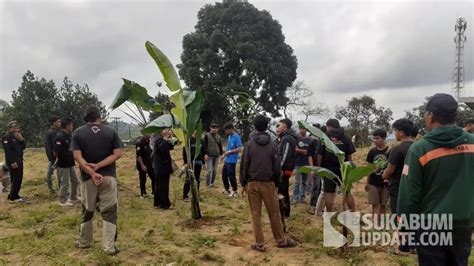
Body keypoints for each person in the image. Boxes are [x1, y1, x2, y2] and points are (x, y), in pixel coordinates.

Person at [398, 94, 474, 265]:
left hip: (431, 227)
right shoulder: (472, 144)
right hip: (463, 225)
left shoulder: (420, 149)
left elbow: (409, 195)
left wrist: (404, 227)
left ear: (430, 116)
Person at [240, 115, 297, 252]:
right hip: (269, 183)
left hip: (252, 183)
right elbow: (277, 166)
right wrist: (277, 183)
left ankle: (259, 243)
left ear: (254, 127)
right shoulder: (273, 144)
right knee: (274, 213)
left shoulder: (249, 144)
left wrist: (243, 183)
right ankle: (281, 240)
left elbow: (244, 165)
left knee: (255, 214)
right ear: (267, 127)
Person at [73, 106, 123, 255]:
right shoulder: (111, 131)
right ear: (99, 117)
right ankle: (109, 247)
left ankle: (84, 242)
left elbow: (77, 157)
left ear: (86, 118)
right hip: (108, 177)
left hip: (88, 178)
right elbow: (119, 153)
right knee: (109, 211)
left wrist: (91, 171)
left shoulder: (78, 133)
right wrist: (100, 166)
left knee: (88, 210)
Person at [382, 118, 414, 255]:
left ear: (401, 132)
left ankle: (403, 247)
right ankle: (413, 246)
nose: (394, 134)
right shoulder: (419, 147)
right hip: (415, 187)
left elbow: (389, 171)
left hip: (398, 187)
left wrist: (383, 176)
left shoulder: (397, 149)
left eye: (395, 131)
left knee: (399, 216)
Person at [317, 119, 356, 212]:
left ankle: (329, 214)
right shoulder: (345, 138)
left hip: (328, 168)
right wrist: (350, 169)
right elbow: (350, 156)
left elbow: (319, 154)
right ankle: (353, 212)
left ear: (329, 126)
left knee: (329, 192)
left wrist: (318, 168)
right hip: (343, 169)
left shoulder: (324, 138)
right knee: (347, 192)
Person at [365, 129, 390, 224]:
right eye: (373, 138)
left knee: (383, 204)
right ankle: (375, 223)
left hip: (385, 182)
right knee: (375, 204)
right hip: (373, 182)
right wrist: (367, 182)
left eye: (377, 138)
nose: (375, 140)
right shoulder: (372, 152)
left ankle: (382, 223)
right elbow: (368, 168)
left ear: (383, 138)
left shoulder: (390, 151)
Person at [275, 118, 298, 218]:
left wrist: (279, 168)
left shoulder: (287, 138)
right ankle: (284, 213)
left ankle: (285, 213)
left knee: (282, 190)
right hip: (284, 168)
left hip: (285, 169)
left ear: (285, 126)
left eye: (278, 125)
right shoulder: (283, 137)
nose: (277, 127)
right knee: (282, 190)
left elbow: (285, 155)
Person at [54, 118, 79, 207]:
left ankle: (73, 197)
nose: (72, 127)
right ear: (67, 126)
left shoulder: (69, 135)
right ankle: (62, 200)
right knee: (65, 183)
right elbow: (56, 152)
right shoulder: (60, 136)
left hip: (70, 163)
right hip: (63, 164)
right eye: (71, 125)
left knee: (75, 181)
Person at [3, 121, 26, 203]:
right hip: (13, 162)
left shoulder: (16, 136)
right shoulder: (7, 137)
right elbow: (8, 151)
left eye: (17, 127)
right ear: (10, 128)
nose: (16, 129)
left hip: (19, 160)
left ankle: (14, 195)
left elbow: (23, 147)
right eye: (14, 127)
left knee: (18, 179)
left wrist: (21, 139)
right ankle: (12, 198)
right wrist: (12, 162)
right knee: (16, 179)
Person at [153, 128, 175, 209]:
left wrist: (170, 138)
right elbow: (162, 148)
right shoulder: (158, 139)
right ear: (162, 131)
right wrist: (165, 138)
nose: (168, 131)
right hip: (161, 167)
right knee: (163, 186)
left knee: (160, 186)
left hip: (164, 166)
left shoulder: (163, 139)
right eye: (167, 130)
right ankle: (164, 204)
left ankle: (157, 203)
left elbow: (170, 147)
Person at [220, 123, 242, 197]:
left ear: (231, 129)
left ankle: (235, 190)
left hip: (232, 161)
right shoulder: (229, 137)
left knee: (231, 175)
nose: (225, 132)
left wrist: (230, 152)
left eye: (226, 130)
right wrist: (223, 155)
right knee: (223, 175)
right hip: (227, 160)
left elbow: (239, 149)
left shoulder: (237, 137)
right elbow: (228, 148)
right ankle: (227, 189)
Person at [292, 125, 313, 204]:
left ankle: (302, 197)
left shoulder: (310, 140)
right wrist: (305, 151)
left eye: (303, 128)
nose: (302, 130)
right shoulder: (296, 139)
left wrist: (301, 151)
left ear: (306, 129)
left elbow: (310, 152)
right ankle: (295, 197)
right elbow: (296, 149)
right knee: (297, 181)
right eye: (300, 128)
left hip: (307, 163)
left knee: (305, 181)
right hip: (298, 162)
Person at [182, 134, 204, 201]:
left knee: (197, 179)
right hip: (190, 162)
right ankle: (185, 195)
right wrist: (186, 162)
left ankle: (196, 194)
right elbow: (185, 151)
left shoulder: (200, 140)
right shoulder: (188, 140)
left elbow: (203, 151)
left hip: (198, 161)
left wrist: (203, 162)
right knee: (188, 178)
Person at [44, 116, 61, 193]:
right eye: (58, 121)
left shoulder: (49, 131)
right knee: (59, 173)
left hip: (51, 156)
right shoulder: (54, 132)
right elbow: (56, 146)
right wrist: (58, 156)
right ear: (54, 122)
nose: (59, 123)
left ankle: (50, 187)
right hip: (56, 156)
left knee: (50, 172)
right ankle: (60, 188)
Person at [202, 124, 223, 188]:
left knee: (214, 170)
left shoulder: (218, 137)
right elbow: (204, 146)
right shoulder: (206, 135)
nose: (214, 129)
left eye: (216, 128)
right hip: (209, 156)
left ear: (218, 129)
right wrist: (205, 154)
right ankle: (207, 184)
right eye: (213, 128)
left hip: (216, 155)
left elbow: (220, 146)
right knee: (209, 170)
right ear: (210, 128)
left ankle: (212, 183)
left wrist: (221, 154)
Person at [136, 134, 155, 198]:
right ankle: (143, 193)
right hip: (142, 164)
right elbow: (138, 156)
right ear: (144, 134)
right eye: (148, 134)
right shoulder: (140, 143)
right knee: (143, 179)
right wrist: (142, 165)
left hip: (150, 164)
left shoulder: (149, 142)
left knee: (154, 178)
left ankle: (154, 192)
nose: (150, 135)